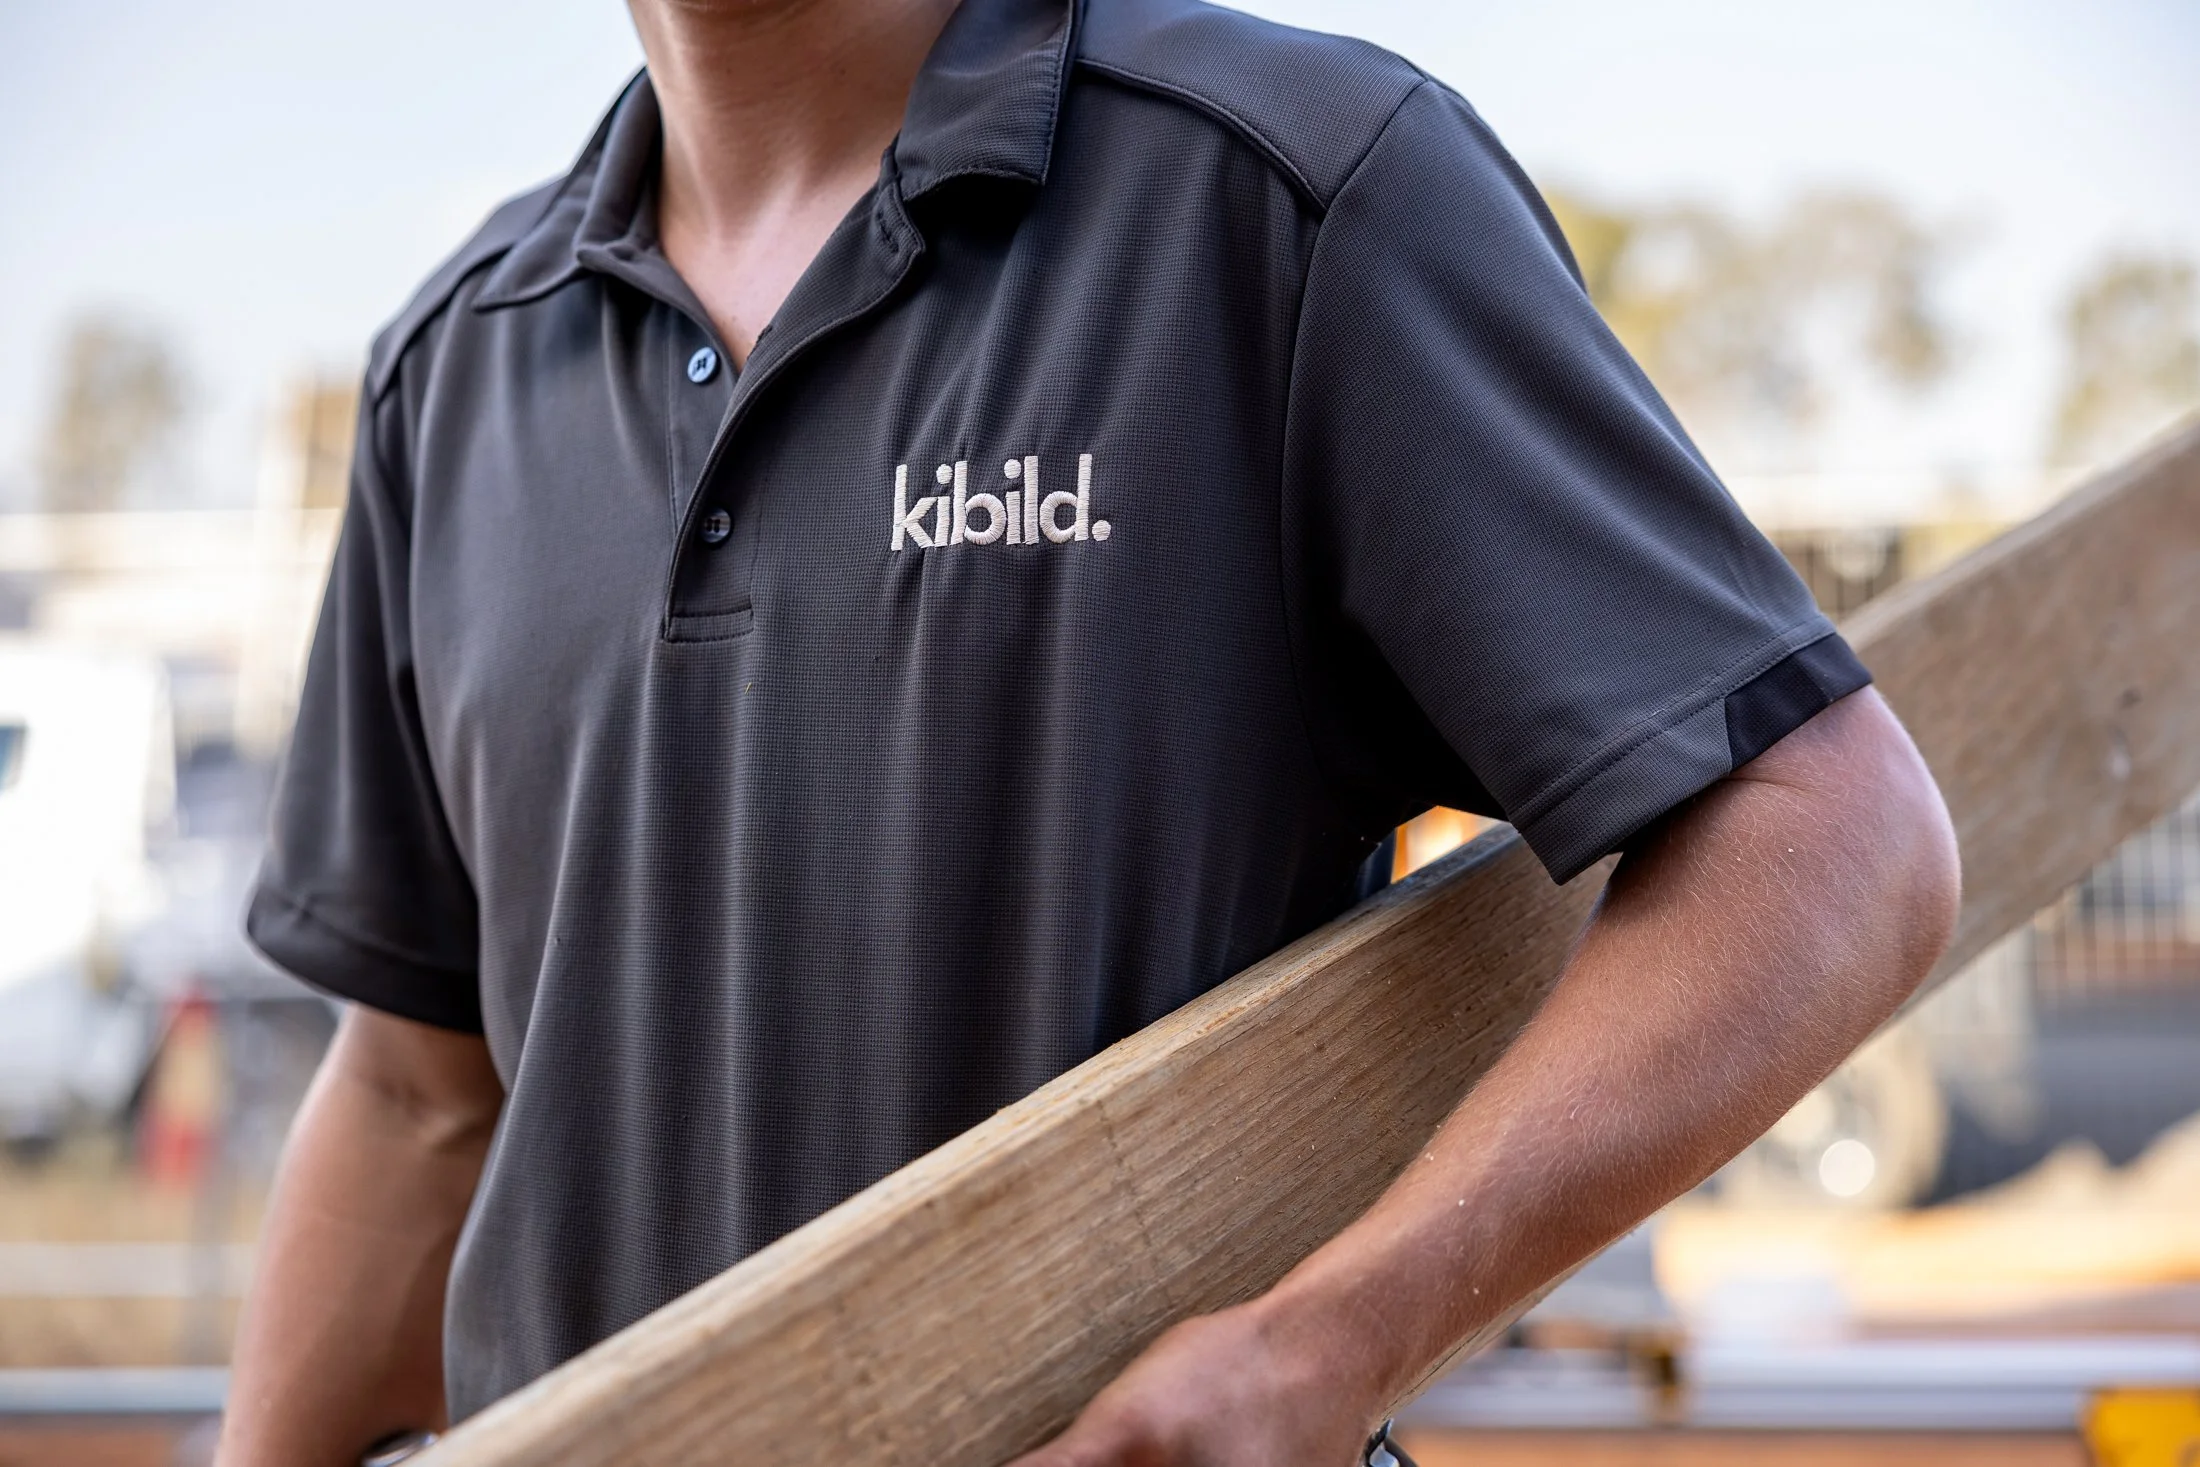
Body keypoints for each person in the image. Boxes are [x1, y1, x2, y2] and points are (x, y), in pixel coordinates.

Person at [216, 0, 1961, 1462]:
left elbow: (1833, 831)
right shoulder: (453, 366)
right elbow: (412, 1091)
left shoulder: (1284, 195)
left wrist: (1324, 1346)